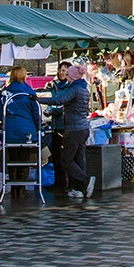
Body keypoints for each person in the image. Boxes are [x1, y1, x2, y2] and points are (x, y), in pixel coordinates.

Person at [47, 65, 94, 198]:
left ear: (72, 76)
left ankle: (85, 181)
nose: (65, 76)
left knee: (66, 160)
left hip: (73, 129)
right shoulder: (84, 89)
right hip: (83, 128)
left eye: (67, 74)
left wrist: (40, 100)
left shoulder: (74, 89)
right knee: (79, 159)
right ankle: (79, 189)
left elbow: (59, 101)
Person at [0, 67, 45, 196]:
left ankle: (13, 188)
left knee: (12, 160)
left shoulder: (5, 93)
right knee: (25, 160)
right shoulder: (29, 93)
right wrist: (38, 129)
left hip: (10, 130)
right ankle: (22, 188)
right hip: (27, 131)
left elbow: (0, 113)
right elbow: (37, 114)